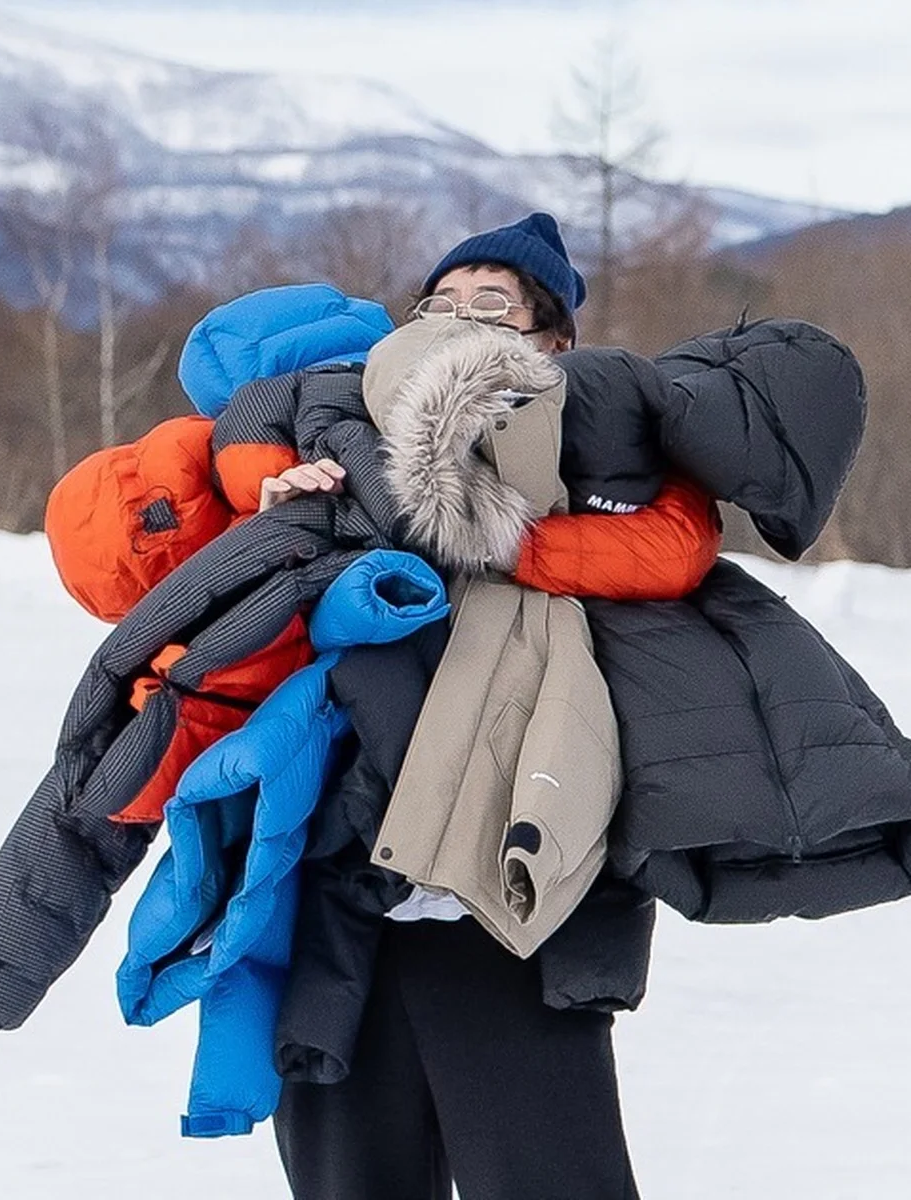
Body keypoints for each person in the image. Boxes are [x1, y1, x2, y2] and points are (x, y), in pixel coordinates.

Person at [264, 212, 708, 1200]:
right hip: (350, 918)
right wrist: (279, 507)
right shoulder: (345, 464)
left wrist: (518, 543)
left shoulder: (600, 477)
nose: (459, 319)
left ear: (553, 344)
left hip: (510, 918)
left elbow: (675, 551)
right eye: (441, 303)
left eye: (493, 304)